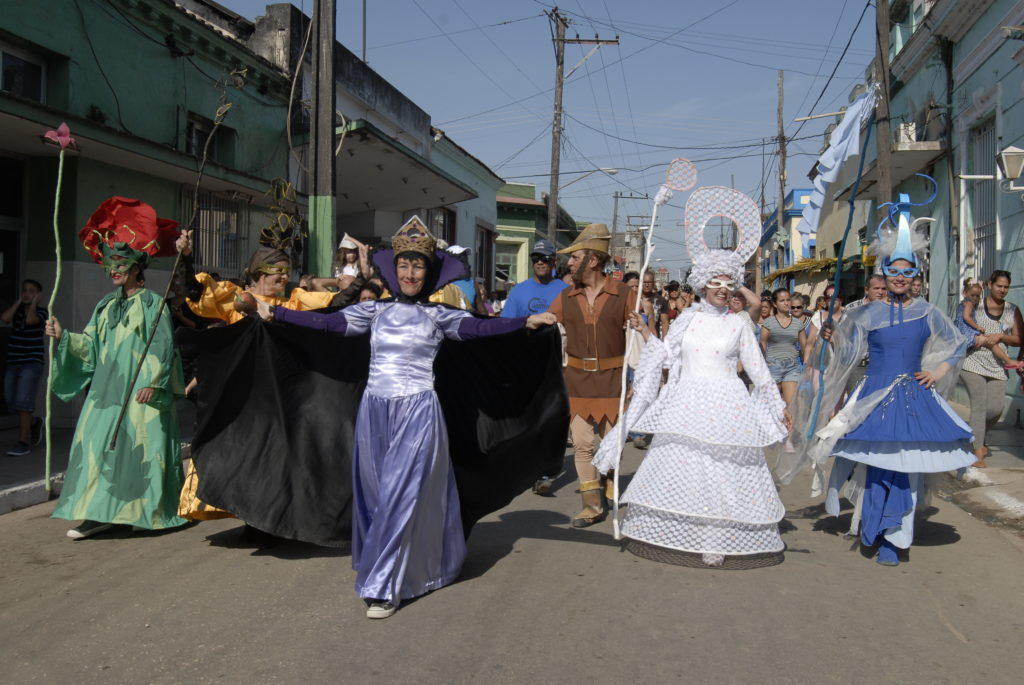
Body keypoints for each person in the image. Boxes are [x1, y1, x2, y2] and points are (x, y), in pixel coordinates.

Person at [251, 217, 559, 618]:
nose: (410, 273)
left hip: (418, 413)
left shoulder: (440, 316)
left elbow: (481, 330)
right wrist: (276, 315)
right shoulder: (373, 312)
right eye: (404, 266)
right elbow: (326, 322)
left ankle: (382, 588)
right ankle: (401, 563)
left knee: (401, 493)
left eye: (417, 266)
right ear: (394, 270)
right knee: (377, 494)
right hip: (374, 412)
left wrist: (525, 322)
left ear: (428, 273)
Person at [593, 184, 789, 568]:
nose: (722, 290)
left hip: (727, 404)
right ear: (702, 285)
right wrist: (645, 331)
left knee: (722, 471)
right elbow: (665, 356)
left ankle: (716, 536)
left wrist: (777, 405)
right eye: (715, 283)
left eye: (728, 283)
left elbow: (759, 371)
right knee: (687, 466)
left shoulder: (738, 324)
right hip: (688, 401)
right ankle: (686, 528)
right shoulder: (686, 319)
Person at [787, 204, 974, 566]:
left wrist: (936, 373)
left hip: (913, 397)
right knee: (874, 467)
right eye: (894, 271)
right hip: (874, 396)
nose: (900, 278)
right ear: (884, 273)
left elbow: (957, 342)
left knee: (907, 470)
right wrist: (829, 336)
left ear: (915, 274)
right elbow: (846, 349)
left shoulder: (928, 311)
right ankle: (871, 527)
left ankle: (896, 539)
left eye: (907, 272)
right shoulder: (866, 313)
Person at [173, 230, 343, 526]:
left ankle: (272, 520)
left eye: (287, 273)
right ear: (260, 274)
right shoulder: (235, 298)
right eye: (279, 273)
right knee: (242, 454)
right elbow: (196, 293)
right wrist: (186, 258)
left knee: (277, 456)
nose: (284, 279)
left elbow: (335, 304)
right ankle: (249, 516)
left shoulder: (293, 304)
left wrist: (360, 281)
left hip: (279, 393)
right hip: (242, 393)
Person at [45, 197, 186, 539]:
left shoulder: (152, 304)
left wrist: (154, 382)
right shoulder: (106, 305)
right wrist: (64, 336)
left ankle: (148, 512)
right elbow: (91, 346)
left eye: (120, 263)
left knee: (142, 448)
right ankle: (96, 513)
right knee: (95, 447)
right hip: (106, 392)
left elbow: (163, 346)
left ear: (137, 267)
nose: (113, 270)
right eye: (110, 264)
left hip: (141, 390)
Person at [545, 224, 635, 525]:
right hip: (576, 381)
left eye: (575, 257)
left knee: (611, 445)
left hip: (613, 381)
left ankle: (608, 482)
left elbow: (641, 342)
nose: (569, 263)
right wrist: (534, 323)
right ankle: (592, 505)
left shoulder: (625, 294)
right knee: (583, 445)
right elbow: (548, 328)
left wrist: (636, 382)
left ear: (593, 261)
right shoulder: (565, 296)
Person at [958, 270, 1024, 467]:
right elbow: (961, 325)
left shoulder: (1012, 310)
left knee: (995, 409)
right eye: (999, 286)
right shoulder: (975, 304)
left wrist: (1001, 336)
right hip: (973, 361)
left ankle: (975, 435)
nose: (1002, 290)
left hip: (998, 365)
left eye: (1006, 287)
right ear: (989, 285)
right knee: (979, 405)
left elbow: (1019, 339)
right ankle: (977, 452)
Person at [2, 279, 47, 455]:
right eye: (24, 290)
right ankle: (34, 422)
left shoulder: (42, 312)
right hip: (14, 362)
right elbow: (5, 318)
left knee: (23, 403)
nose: (27, 293)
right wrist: (19, 302)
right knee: (10, 400)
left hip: (31, 363)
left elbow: (30, 321)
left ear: (38, 295)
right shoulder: (17, 311)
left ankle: (23, 442)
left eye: (31, 291)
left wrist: (34, 303)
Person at [760, 288, 801, 448]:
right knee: (773, 403)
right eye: (782, 300)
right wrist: (764, 364)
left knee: (791, 404)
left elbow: (805, 345)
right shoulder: (769, 322)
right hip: (773, 365)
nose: (786, 303)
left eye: (788, 299)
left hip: (792, 366)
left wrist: (807, 362)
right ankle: (770, 432)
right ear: (775, 304)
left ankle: (789, 438)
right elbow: (763, 342)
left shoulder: (797, 323)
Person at [501, 239, 568, 318]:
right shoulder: (518, 290)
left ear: (554, 261)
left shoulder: (565, 290)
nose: (540, 262)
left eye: (545, 258)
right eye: (535, 258)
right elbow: (506, 322)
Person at [639, 270, 670, 339]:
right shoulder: (635, 299)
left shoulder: (661, 300)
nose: (647, 285)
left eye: (649, 282)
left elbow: (665, 323)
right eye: (644, 282)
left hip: (653, 338)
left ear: (653, 283)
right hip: (637, 338)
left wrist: (664, 341)